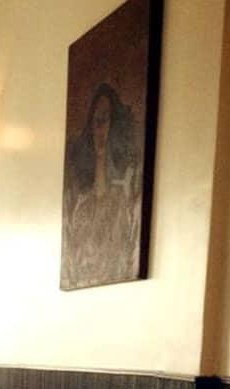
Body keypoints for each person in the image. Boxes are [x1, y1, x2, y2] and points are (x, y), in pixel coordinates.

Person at [61, 81, 140, 289]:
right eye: (95, 121)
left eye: (105, 120)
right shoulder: (79, 201)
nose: (100, 129)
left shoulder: (125, 196)